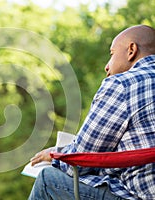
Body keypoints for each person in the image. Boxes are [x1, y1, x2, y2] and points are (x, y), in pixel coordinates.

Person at [28, 25, 155, 200]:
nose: (106, 66)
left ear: (131, 50)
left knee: (48, 180)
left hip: (141, 195)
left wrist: (54, 156)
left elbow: (82, 158)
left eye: (111, 54)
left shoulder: (123, 84)